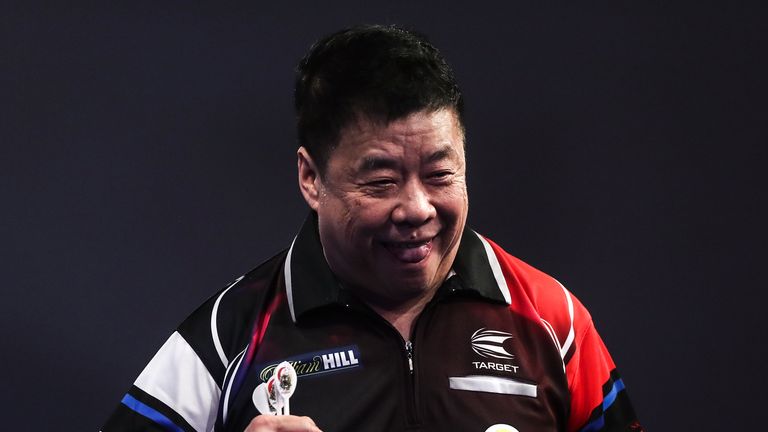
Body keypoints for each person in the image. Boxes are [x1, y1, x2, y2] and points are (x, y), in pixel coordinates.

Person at [101, 25, 643, 432]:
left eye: (439, 175)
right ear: (311, 177)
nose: (416, 208)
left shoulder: (553, 320)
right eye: (382, 181)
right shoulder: (228, 338)